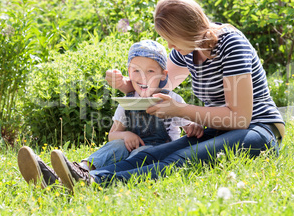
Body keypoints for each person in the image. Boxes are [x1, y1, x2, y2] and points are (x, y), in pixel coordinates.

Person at [43, 0, 286, 190]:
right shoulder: (187, 49)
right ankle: (71, 176)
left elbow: (239, 118)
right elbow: (157, 86)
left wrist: (180, 110)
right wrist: (124, 84)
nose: (169, 46)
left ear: (188, 30)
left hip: (259, 130)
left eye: (171, 38)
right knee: (153, 154)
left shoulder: (231, 45)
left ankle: (94, 183)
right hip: (219, 130)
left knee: (181, 159)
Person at [17, 40, 204, 190]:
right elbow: (113, 134)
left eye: (150, 71)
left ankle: (80, 180)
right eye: (136, 71)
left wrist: (193, 127)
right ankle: (80, 168)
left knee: (141, 153)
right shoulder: (128, 100)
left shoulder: (170, 98)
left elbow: (188, 126)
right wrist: (125, 135)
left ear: (163, 74)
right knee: (116, 145)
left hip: (156, 153)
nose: (143, 77)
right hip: (128, 150)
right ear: (129, 73)